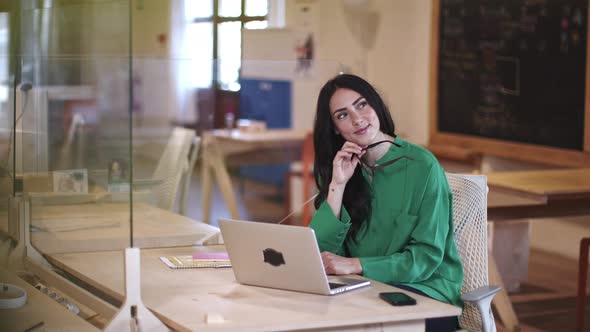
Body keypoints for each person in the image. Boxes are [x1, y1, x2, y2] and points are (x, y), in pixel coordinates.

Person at [309, 74, 463, 331]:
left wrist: (357, 265)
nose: (357, 118)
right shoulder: (342, 168)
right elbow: (319, 255)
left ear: (376, 106)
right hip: (362, 292)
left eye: (362, 105)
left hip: (426, 293)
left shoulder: (422, 166)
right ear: (335, 128)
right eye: (342, 115)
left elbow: (426, 257)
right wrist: (337, 185)